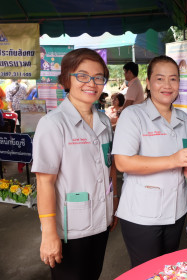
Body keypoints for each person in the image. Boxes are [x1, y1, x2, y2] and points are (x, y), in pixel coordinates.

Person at [31, 48, 118, 280]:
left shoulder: (103, 121)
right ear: (66, 79)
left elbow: (110, 167)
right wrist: (49, 234)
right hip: (70, 229)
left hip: (101, 220)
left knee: (93, 274)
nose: (91, 83)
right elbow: (45, 181)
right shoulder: (53, 124)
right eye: (82, 75)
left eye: (99, 77)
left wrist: (114, 202)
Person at [112, 55, 187, 267]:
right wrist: (173, 160)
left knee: (167, 270)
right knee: (148, 272)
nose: (167, 85)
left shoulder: (184, 120)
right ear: (149, 83)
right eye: (160, 79)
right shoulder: (133, 115)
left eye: (173, 79)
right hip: (142, 216)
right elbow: (123, 163)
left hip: (176, 212)